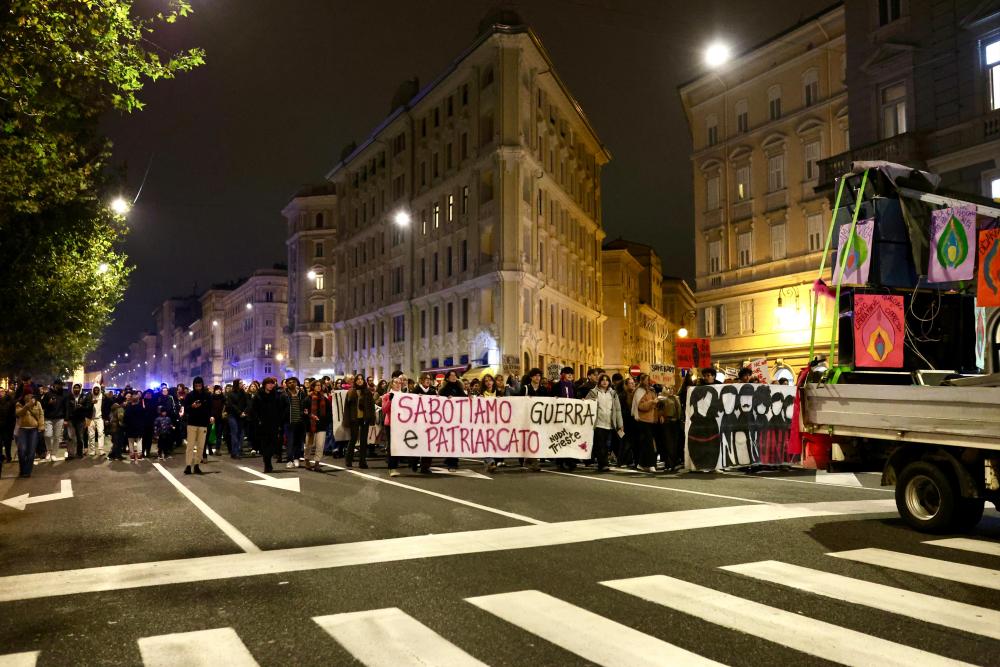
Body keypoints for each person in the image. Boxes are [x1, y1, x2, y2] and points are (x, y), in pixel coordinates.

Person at [585, 374, 621, 472]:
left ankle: (603, 462)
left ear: (609, 382)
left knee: (607, 445)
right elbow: (586, 404)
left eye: (607, 380)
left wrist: (620, 424)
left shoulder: (613, 393)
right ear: (599, 381)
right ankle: (603, 464)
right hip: (598, 423)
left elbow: (617, 410)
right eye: (602, 380)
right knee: (600, 444)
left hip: (610, 424)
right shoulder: (593, 392)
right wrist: (585, 401)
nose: (605, 382)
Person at [250, 377, 284, 473]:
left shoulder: (276, 395)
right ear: (265, 384)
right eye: (269, 383)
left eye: (272, 383)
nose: (270, 385)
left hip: (274, 423)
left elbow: (279, 409)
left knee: (273, 444)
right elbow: (253, 410)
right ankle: (267, 464)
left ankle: (268, 461)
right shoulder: (258, 396)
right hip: (262, 424)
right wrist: (258, 420)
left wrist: (279, 422)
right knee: (265, 445)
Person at [342, 374, 375, 469]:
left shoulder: (367, 392)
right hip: (354, 418)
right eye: (358, 379)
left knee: (364, 441)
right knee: (353, 439)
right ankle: (348, 460)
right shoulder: (351, 392)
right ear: (355, 381)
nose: (360, 381)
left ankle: (362, 462)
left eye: (361, 379)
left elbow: (371, 406)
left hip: (365, 418)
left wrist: (372, 419)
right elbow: (346, 408)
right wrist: (346, 420)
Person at [518, 369, 547, 471]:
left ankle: (530, 460)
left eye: (539, 375)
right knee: (528, 439)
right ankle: (531, 461)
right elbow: (518, 403)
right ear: (531, 377)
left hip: (539, 419)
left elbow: (548, 403)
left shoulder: (543, 389)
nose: (537, 378)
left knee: (536, 439)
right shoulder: (525, 388)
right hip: (526, 419)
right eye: (535, 376)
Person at [436, 370, 465, 472]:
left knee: (456, 440)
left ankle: (452, 460)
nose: (453, 376)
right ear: (447, 378)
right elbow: (439, 400)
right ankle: (451, 462)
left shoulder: (459, 387)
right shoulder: (444, 389)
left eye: (455, 375)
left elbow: (464, 399)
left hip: (458, 418)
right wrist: (447, 399)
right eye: (451, 375)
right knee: (450, 440)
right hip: (447, 419)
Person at [182, 377, 211, 475]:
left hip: (203, 424)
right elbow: (186, 409)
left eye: (200, 385)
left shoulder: (207, 395)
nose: (198, 387)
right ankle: (188, 465)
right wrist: (192, 406)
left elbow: (209, 409)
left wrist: (211, 417)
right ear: (194, 385)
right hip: (192, 423)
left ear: (202, 385)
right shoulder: (190, 395)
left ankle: (197, 465)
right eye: (196, 386)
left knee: (201, 446)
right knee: (190, 446)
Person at [631, 373, 658, 472]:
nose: (648, 381)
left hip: (652, 420)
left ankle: (642, 464)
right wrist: (652, 402)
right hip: (643, 420)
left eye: (649, 379)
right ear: (642, 381)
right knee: (648, 443)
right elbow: (641, 406)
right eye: (646, 379)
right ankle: (650, 464)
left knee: (648, 443)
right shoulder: (639, 391)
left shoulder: (651, 390)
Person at [14, 392, 43, 478]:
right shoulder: (19, 404)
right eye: (27, 394)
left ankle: (27, 472)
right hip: (22, 429)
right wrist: (27, 406)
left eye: (31, 395)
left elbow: (41, 414)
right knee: (22, 450)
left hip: (34, 430)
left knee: (31, 452)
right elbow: (18, 413)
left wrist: (41, 426)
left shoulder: (37, 403)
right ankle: (22, 469)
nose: (29, 396)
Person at [305, 380, 330, 471]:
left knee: (320, 445)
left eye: (320, 385)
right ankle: (307, 460)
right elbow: (304, 412)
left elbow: (329, 412)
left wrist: (325, 421)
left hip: (321, 426)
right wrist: (311, 417)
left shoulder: (325, 399)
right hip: (310, 425)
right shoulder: (308, 399)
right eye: (316, 385)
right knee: (309, 444)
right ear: (313, 387)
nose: (319, 387)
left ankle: (317, 463)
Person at [283, 377, 307, 468]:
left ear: (297, 383)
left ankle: (296, 458)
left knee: (298, 441)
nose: (291, 384)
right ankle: (289, 460)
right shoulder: (284, 395)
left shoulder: (302, 394)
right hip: (289, 422)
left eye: (293, 382)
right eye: (289, 382)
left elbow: (306, 406)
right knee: (290, 441)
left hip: (300, 422)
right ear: (287, 384)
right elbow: (280, 409)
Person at [382, 375, 403, 476]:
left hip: (401, 424)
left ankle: (396, 465)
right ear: (392, 384)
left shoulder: (404, 395)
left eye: (400, 383)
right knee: (392, 446)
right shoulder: (387, 395)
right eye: (396, 382)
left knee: (398, 445)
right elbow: (384, 410)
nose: (398, 384)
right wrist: (390, 400)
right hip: (390, 424)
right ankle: (392, 467)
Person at [40, 381, 66, 462]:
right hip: (48, 418)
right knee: (47, 435)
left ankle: (54, 454)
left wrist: (66, 419)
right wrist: (49, 402)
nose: (60, 386)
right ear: (54, 385)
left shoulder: (63, 394)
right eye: (58, 385)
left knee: (57, 436)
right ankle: (49, 451)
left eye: (61, 385)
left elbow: (65, 407)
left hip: (59, 418)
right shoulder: (48, 394)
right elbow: (42, 405)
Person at [66, 383, 92, 459]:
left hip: (80, 420)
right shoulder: (69, 396)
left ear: (80, 389)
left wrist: (82, 407)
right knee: (71, 437)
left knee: (80, 437)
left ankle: (79, 453)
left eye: (78, 388)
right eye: (75, 388)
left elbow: (88, 407)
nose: (76, 389)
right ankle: (71, 454)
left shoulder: (84, 396)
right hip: (71, 419)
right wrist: (66, 419)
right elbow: (67, 408)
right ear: (73, 389)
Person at [225, 379, 249, 459]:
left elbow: (247, 404)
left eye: (242, 383)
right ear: (236, 384)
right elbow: (231, 405)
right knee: (234, 433)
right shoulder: (231, 394)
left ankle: (238, 450)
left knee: (241, 434)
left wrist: (244, 412)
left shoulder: (244, 393)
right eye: (240, 383)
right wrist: (239, 412)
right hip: (233, 416)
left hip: (242, 416)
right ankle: (234, 452)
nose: (242, 384)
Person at [123, 391, 145, 464]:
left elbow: (125, 417)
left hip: (130, 427)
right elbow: (143, 417)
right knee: (139, 440)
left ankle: (132, 455)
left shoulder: (128, 408)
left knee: (130, 441)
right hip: (138, 426)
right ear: (138, 400)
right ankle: (139, 455)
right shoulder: (140, 407)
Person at [87, 385, 105, 457]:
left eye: (98, 390)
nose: (96, 391)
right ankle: (92, 450)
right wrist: (91, 403)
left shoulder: (102, 397)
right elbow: (86, 406)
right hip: (90, 418)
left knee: (101, 433)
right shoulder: (89, 396)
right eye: (95, 390)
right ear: (93, 390)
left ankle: (101, 449)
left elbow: (107, 405)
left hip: (99, 418)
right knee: (91, 435)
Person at [0, 387, 14, 465]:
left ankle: (8, 457)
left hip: (7, 426)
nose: (0, 393)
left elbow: (12, 415)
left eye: (2, 391)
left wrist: (12, 426)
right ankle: (2, 457)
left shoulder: (10, 401)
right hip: (1, 426)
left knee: (7, 443)